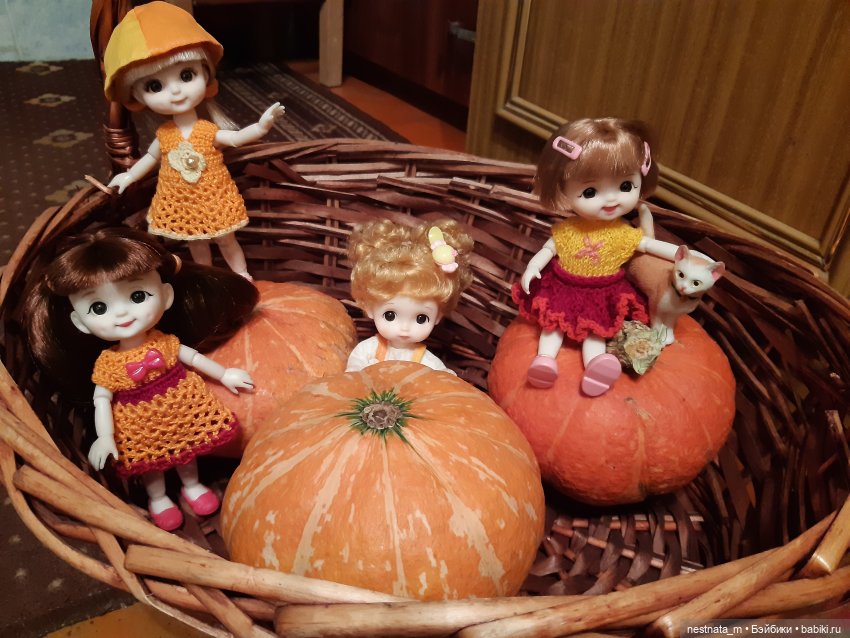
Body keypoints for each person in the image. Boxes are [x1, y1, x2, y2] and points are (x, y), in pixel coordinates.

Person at [24, 227, 259, 530]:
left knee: (187, 453)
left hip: (180, 411)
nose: (122, 314)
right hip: (137, 424)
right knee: (150, 466)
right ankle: (158, 498)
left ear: (166, 296)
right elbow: (101, 399)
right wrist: (105, 437)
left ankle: (192, 486)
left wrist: (225, 374)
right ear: (80, 322)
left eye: (137, 296)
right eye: (99, 307)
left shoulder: (165, 343)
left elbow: (193, 359)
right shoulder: (108, 364)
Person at [102, 1, 285, 280]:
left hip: (214, 197)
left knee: (226, 239)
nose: (176, 91)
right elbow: (151, 158)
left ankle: (241, 273)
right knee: (196, 243)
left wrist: (261, 126)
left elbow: (236, 138)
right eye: (155, 86)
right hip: (182, 203)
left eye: (186, 75)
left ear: (206, 73)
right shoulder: (165, 135)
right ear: (136, 97)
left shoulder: (206, 130)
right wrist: (129, 175)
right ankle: (206, 278)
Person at [514, 117, 682, 396]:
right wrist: (533, 267)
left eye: (625, 186)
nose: (611, 199)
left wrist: (681, 254)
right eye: (590, 191)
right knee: (552, 324)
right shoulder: (568, 230)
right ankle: (544, 360)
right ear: (562, 191)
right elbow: (548, 249)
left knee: (597, 330)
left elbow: (649, 246)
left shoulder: (623, 234)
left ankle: (596, 365)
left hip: (603, 292)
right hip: (563, 286)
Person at [346, 219, 474, 373]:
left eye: (421, 318)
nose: (405, 328)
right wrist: (355, 372)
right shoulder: (370, 349)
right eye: (390, 315)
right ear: (370, 309)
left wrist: (447, 375)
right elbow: (355, 364)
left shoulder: (425, 360)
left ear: (438, 316)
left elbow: (441, 378)